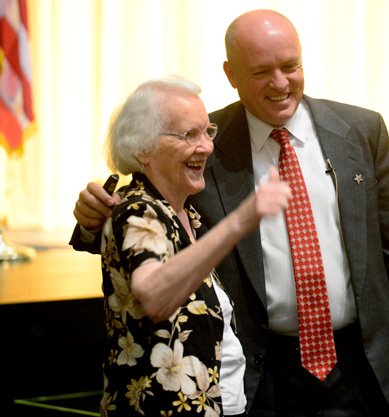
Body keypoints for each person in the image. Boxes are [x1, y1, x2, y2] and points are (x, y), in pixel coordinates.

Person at [71, 9, 389, 417]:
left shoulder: (361, 130)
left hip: (360, 363)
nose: (281, 83)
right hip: (260, 371)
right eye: (261, 72)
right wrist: (93, 218)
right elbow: (144, 217)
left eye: (290, 66)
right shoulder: (202, 142)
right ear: (231, 74)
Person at [93, 76, 291, 416]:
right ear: (143, 148)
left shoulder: (188, 213)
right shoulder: (139, 209)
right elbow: (154, 295)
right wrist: (243, 219)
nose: (207, 147)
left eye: (207, 131)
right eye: (189, 135)